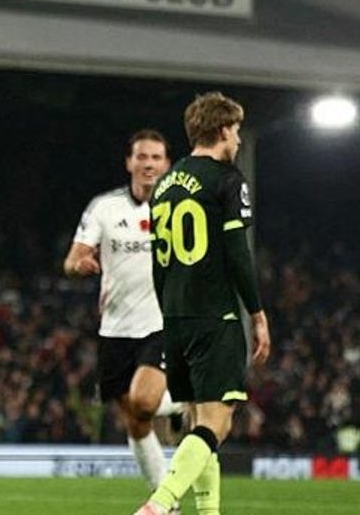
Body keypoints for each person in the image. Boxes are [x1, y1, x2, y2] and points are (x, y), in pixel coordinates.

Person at [134, 93, 271, 515]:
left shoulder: (165, 185)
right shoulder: (228, 181)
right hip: (214, 315)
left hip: (174, 318)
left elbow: (158, 265)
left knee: (196, 421)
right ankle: (159, 504)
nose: (238, 142)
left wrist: (169, 312)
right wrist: (258, 315)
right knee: (218, 421)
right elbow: (238, 255)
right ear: (220, 131)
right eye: (235, 132)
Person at [64, 129, 184, 498]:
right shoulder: (105, 207)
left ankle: (185, 396)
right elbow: (71, 260)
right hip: (115, 327)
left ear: (166, 164)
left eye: (156, 158)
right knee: (134, 419)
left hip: (161, 323)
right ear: (129, 162)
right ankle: (166, 501)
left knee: (144, 402)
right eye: (142, 157)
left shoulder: (181, 208)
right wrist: (80, 263)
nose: (148, 164)